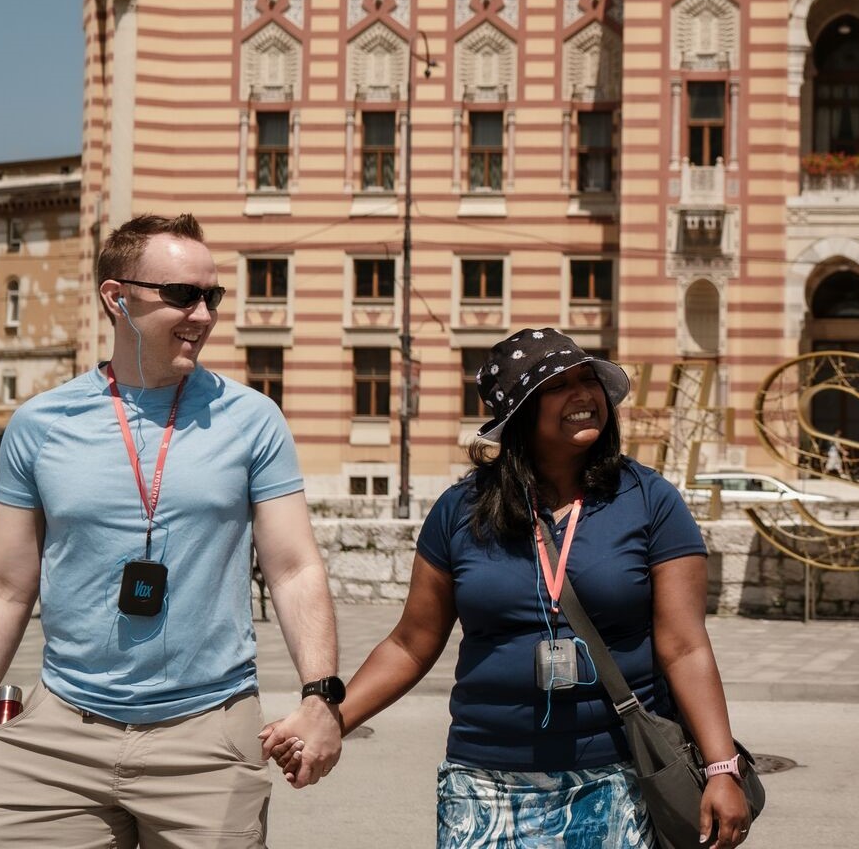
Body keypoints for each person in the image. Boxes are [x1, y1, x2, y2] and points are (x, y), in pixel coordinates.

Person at [0, 213, 343, 848]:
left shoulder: (253, 420)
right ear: (116, 298)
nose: (204, 315)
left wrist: (322, 698)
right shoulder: (40, 424)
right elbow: (2, 588)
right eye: (182, 295)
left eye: (214, 296)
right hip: (59, 733)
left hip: (209, 729)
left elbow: (294, 568)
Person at [263, 327, 750, 848]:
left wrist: (722, 766)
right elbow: (411, 642)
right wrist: (333, 718)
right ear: (519, 412)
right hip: (482, 787)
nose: (584, 394)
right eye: (559, 385)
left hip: (618, 779)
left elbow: (684, 646)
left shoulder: (650, 500)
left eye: (589, 380)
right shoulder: (460, 510)